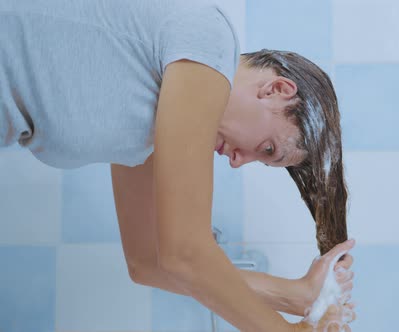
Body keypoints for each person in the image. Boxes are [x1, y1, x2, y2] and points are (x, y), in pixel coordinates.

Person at [1, 0, 356, 330]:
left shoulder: (155, 122)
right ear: (276, 89)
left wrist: (294, 296)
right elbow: (185, 254)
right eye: (266, 148)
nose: (237, 161)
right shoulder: (209, 45)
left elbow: (150, 263)